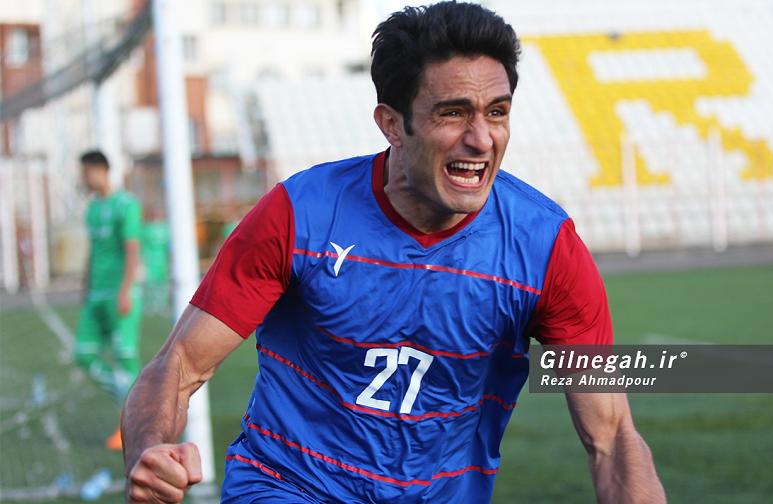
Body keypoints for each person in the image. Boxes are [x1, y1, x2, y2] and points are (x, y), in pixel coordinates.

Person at [122, 2, 666, 502]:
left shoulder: (546, 248)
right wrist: (149, 449)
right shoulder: (300, 214)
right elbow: (179, 364)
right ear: (391, 124)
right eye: (453, 113)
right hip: (287, 485)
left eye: (497, 112)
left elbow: (612, 437)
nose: (481, 139)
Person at [76, 149, 143, 451]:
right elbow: (93, 251)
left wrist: (126, 289)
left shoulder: (126, 205)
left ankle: (129, 425)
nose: (82, 178)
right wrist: (85, 285)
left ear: (99, 170)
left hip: (118, 292)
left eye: (85, 172)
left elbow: (132, 250)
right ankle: (134, 405)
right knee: (83, 353)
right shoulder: (92, 209)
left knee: (124, 358)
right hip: (95, 295)